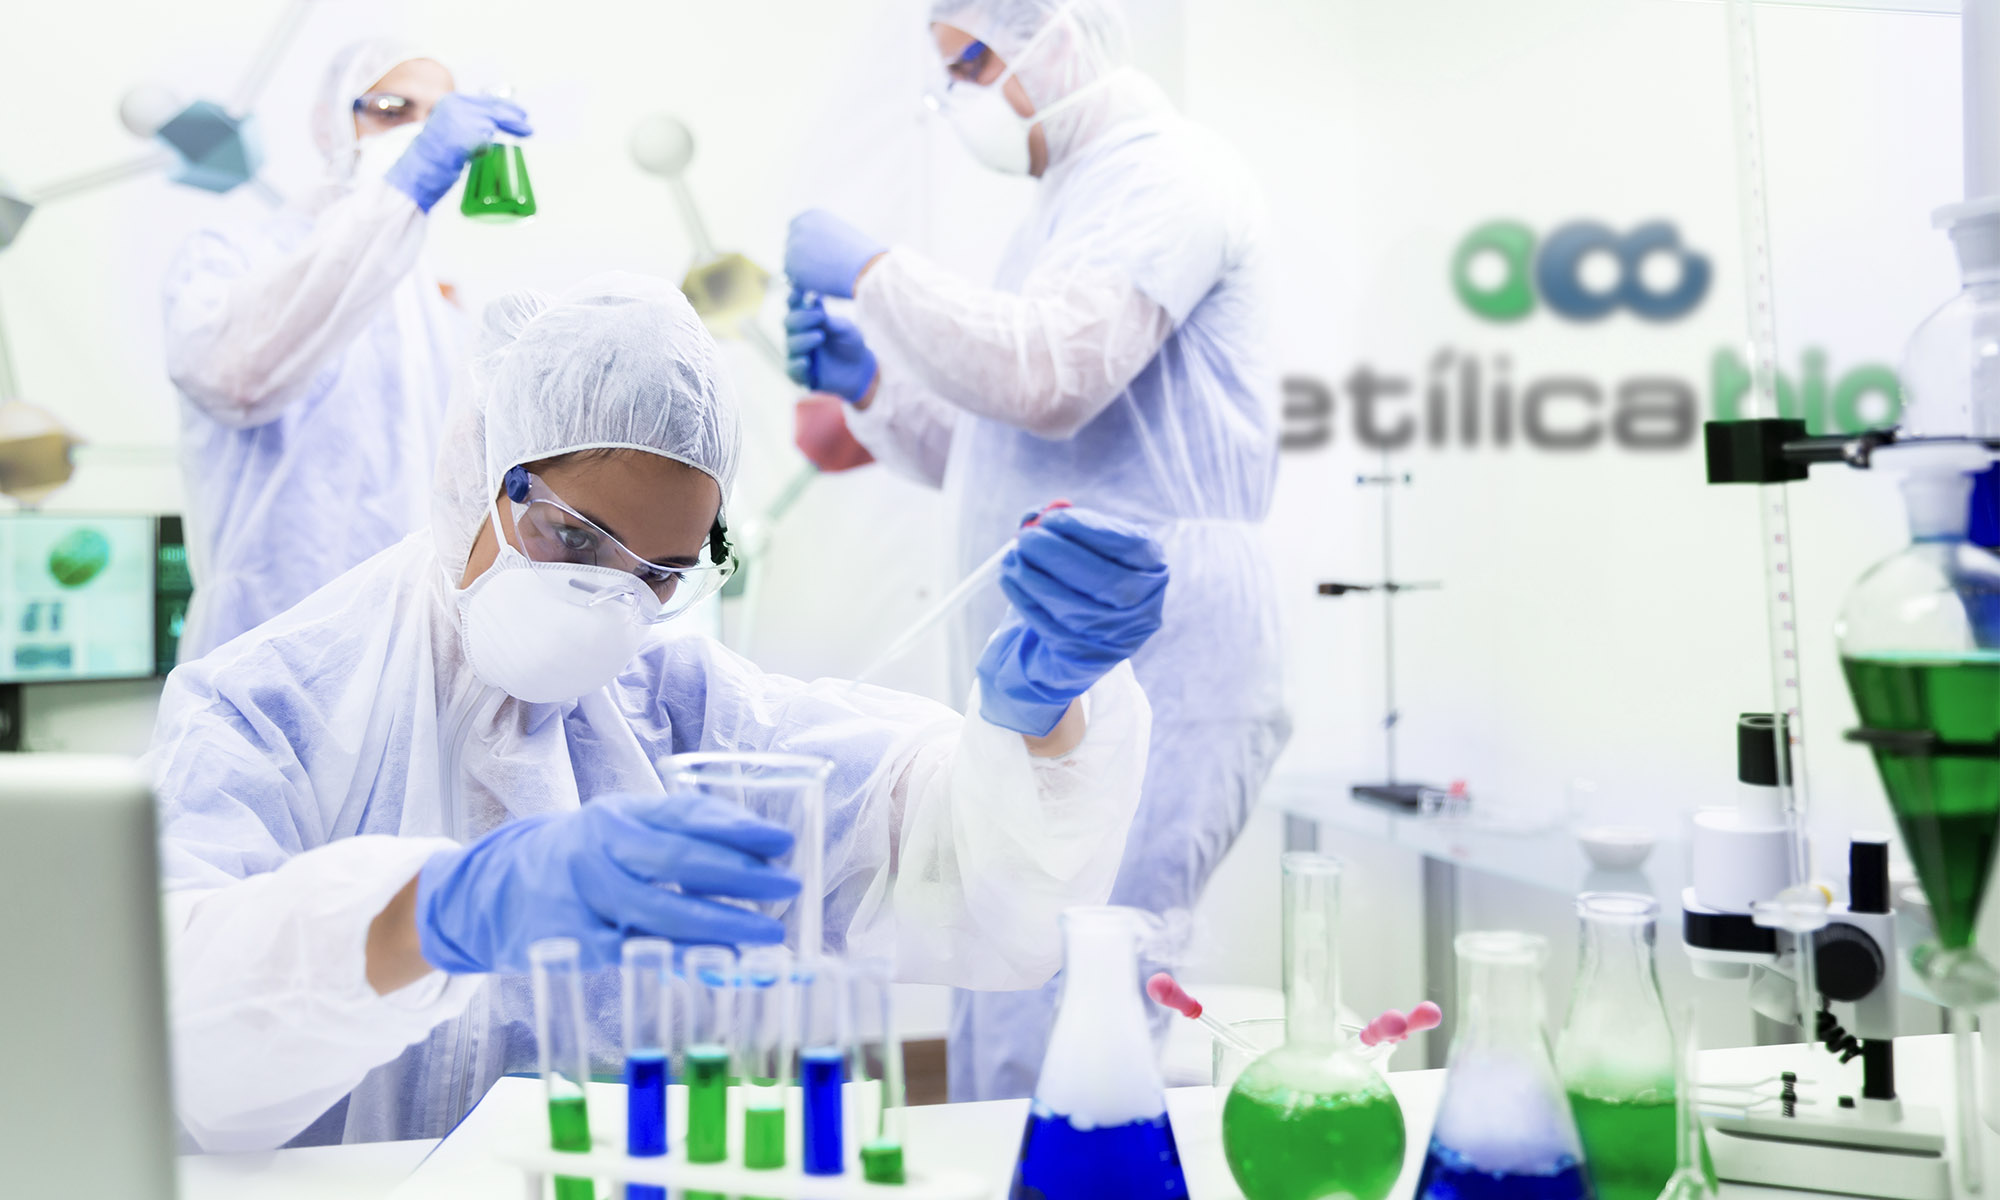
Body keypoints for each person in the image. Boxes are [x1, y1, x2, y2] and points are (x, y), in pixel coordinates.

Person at [148, 273, 1169, 1151]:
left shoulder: (686, 712)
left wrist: (1041, 717)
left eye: (660, 573)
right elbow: (179, 1038)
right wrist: (440, 913)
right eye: (574, 540)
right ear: (478, 472)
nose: (610, 599)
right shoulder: (267, 706)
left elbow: (958, 867)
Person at [782, 0, 1289, 1100]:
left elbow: (1049, 376)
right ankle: (1013, 1166)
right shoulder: (1074, 204)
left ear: (1057, 34)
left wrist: (875, 271)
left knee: (1084, 984)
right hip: (1068, 674)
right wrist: (872, 385)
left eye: (970, 62)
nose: (960, 96)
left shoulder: (1168, 176)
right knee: (1010, 961)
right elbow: (998, 454)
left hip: (1163, 652)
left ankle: (1062, 1170)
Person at [162, 40, 532, 660]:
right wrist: (403, 189)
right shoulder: (232, 257)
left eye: (438, 121)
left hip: (409, 644)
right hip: (265, 638)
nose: (417, 134)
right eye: (391, 109)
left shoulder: (433, 307)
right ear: (335, 120)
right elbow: (231, 379)